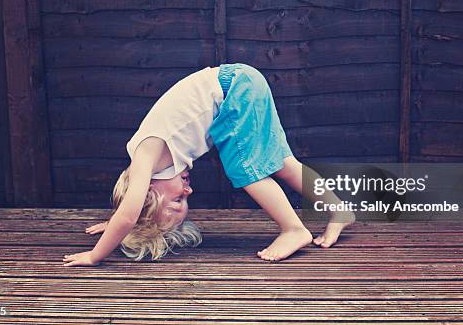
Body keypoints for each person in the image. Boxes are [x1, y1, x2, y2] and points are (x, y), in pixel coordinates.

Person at [63, 63, 354, 266]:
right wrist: (121, 225)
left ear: (146, 195)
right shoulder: (152, 171)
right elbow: (129, 214)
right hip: (241, 82)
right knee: (281, 163)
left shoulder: (144, 156)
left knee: (244, 169)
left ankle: (293, 229)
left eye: (176, 199)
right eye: (183, 201)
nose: (188, 193)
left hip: (234, 91)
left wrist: (95, 255)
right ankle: (339, 208)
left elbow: (129, 213)